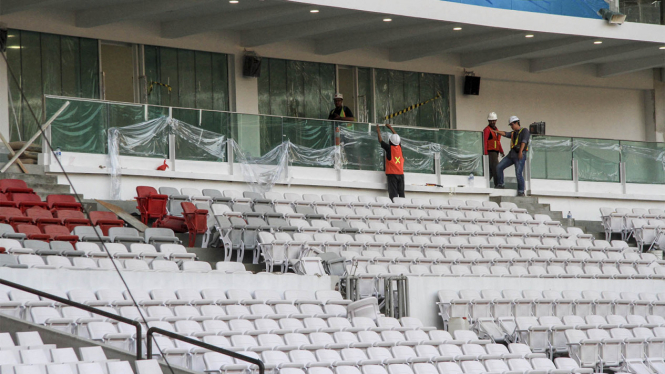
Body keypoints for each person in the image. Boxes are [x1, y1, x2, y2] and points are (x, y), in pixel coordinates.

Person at [491, 116, 530, 196]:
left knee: (518, 173)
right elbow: (505, 133)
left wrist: (520, 151)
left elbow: (524, 141)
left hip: (519, 154)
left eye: (512, 124)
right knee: (499, 167)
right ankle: (500, 184)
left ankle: (521, 191)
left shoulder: (524, 131)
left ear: (516, 123)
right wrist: (496, 131)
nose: (511, 127)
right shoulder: (513, 133)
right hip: (511, 155)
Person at [376, 123, 404, 201]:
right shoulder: (399, 147)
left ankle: (394, 209)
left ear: (390, 141)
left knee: (393, 195)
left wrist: (378, 131)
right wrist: (391, 128)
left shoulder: (389, 148)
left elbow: (380, 141)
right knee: (401, 193)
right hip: (401, 174)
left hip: (392, 175)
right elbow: (397, 138)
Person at [482, 112, 504, 187]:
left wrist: (501, 151)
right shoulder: (487, 130)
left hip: (496, 152)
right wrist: (485, 153)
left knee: (491, 170)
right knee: (496, 168)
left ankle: (483, 183)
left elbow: (497, 141)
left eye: (493, 120)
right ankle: (498, 184)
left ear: (496, 120)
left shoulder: (496, 130)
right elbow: (484, 142)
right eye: (490, 121)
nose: (492, 122)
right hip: (490, 152)